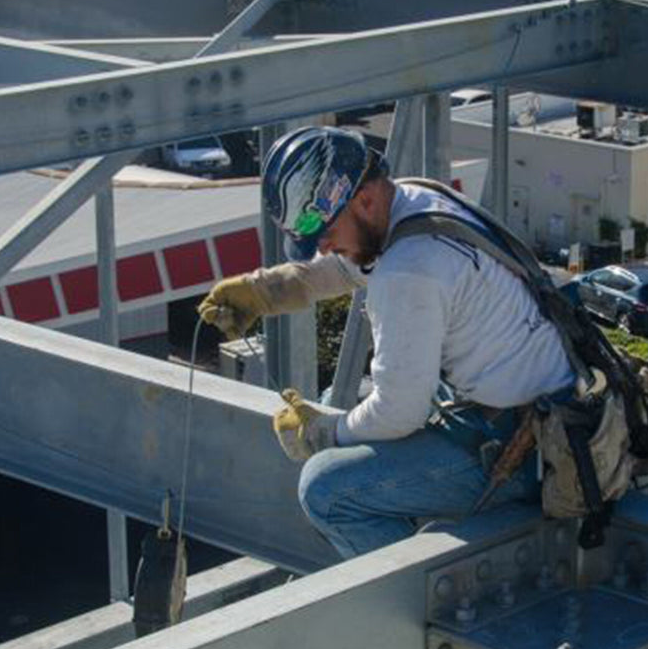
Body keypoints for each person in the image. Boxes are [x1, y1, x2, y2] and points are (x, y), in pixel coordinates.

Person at [198, 126, 577, 558]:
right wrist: (263, 291)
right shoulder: (414, 200)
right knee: (341, 401)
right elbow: (348, 267)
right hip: (543, 411)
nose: (323, 246)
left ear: (364, 200)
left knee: (325, 490)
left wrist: (321, 434)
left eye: (325, 232)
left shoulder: (407, 273)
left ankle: (419, 600)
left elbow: (399, 413)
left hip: (525, 455)